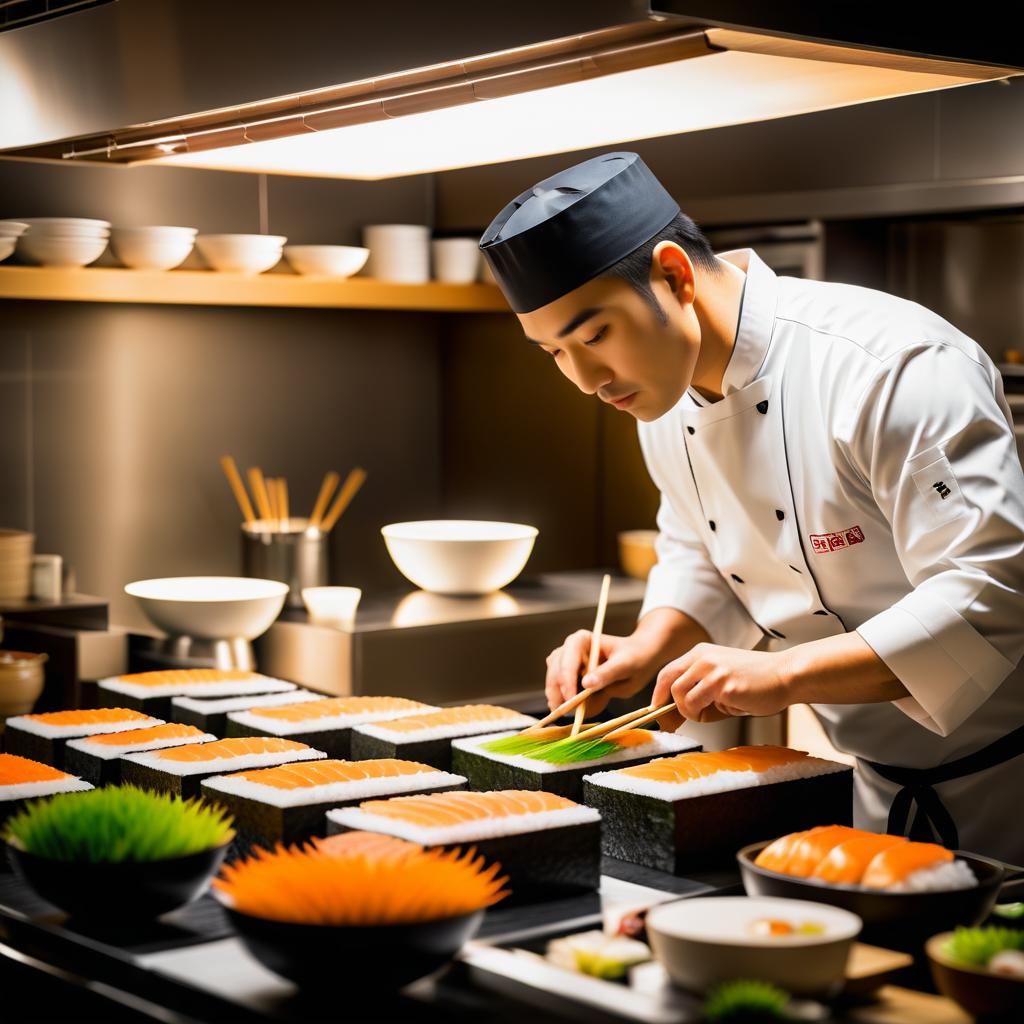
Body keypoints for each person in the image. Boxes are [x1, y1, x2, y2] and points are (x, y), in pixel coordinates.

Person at [478, 151, 1024, 864]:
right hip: (870, 789)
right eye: (553, 352)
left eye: (593, 335)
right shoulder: (660, 402)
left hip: (1011, 786)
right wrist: (647, 648)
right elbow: (701, 555)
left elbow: (991, 597)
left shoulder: (890, 367)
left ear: (673, 276)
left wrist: (782, 675)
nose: (585, 379)